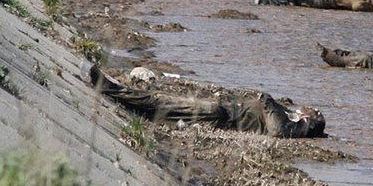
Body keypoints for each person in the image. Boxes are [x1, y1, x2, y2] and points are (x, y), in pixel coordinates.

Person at [81, 62, 327, 139]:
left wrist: (267, 99)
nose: (313, 108)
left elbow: (276, 131)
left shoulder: (292, 127)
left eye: (315, 112)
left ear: (309, 121)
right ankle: (116, 92)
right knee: (163, 105)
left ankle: (110, 89)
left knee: (162, 102)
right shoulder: (292, 118)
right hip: (221, 111)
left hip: (220, 114)